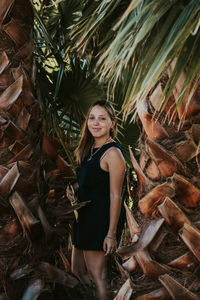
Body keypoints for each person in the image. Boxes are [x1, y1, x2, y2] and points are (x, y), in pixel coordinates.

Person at [67, 100, 125, 300]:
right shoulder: (89, 149)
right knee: (78, 272)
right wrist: (74, 191)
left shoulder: (113, 153)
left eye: (102, 119)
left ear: (112, 123)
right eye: (92, 118)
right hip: (83, 217)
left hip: (99, 220)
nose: (96, 123)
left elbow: (116, 195)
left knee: (97, 276)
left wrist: (111, 233)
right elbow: (89, 183)